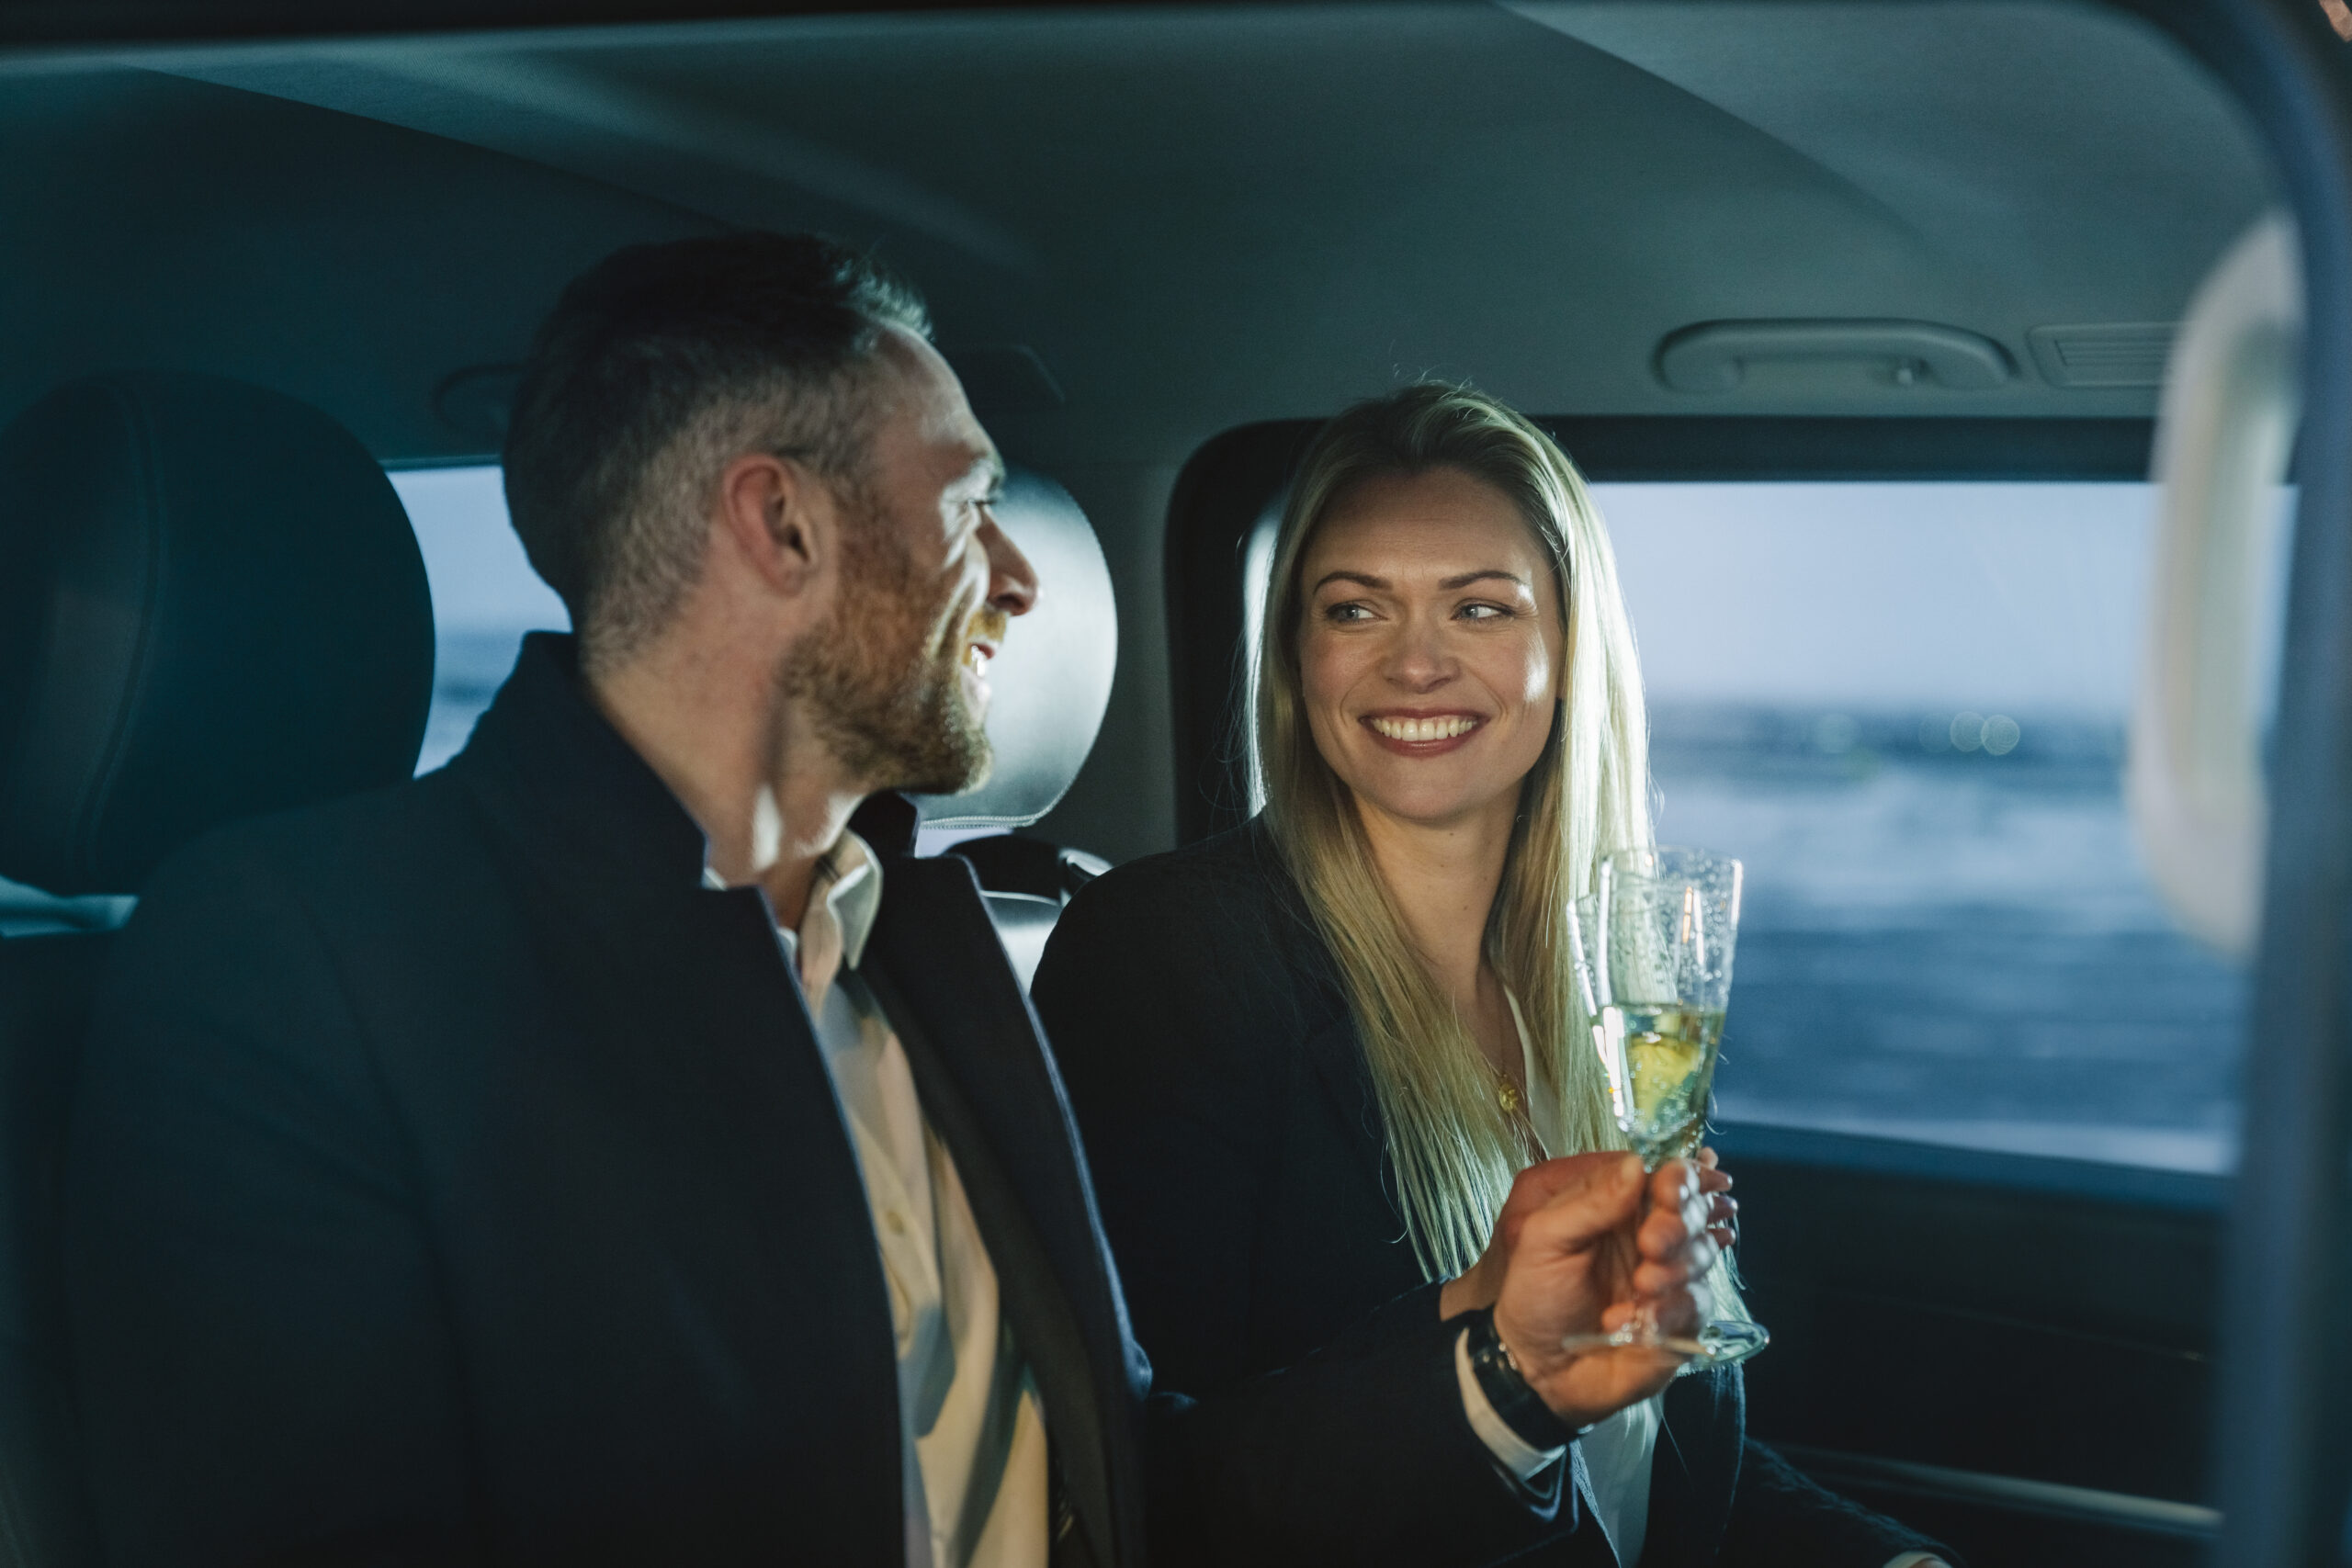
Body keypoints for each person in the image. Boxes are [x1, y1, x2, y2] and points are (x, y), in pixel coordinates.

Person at [63, 237, 1720, 1568]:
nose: (1016, 581)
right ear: (780, 525)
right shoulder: (309, 968)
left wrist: (1507, 1371)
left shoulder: (916, 956)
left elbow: (1143, 1500)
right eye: (972, 505)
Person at [1031, 384, 1962, 1568]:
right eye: (1356, 609)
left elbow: (1640, 1455)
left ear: (1568, 651)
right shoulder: (1171, 958)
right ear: (1298, 659)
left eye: (1479, 608)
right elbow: (1150, 1497)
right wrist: (1493, 1362)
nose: (1416, 662)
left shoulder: (1602, 994)